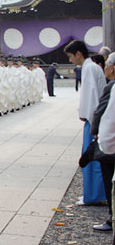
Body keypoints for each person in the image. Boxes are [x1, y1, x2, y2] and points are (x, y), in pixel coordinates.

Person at [64, 40, 106, 204]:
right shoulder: (92, 67)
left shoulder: (89, 68)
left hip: (93, 119)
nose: (70, 60)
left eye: (70, 56)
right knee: (94, 156)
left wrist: (86, 115)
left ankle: (93, 195)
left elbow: (92, 96)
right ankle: (95, 193)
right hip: (95, 118)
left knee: (90, 157)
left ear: (78, 54)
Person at [92, 52, 115, 232]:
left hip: (111, 147)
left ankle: (111, 218)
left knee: (110, 181)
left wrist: (97, 135)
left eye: (107, 64)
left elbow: (103, 114)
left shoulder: (112, 87)